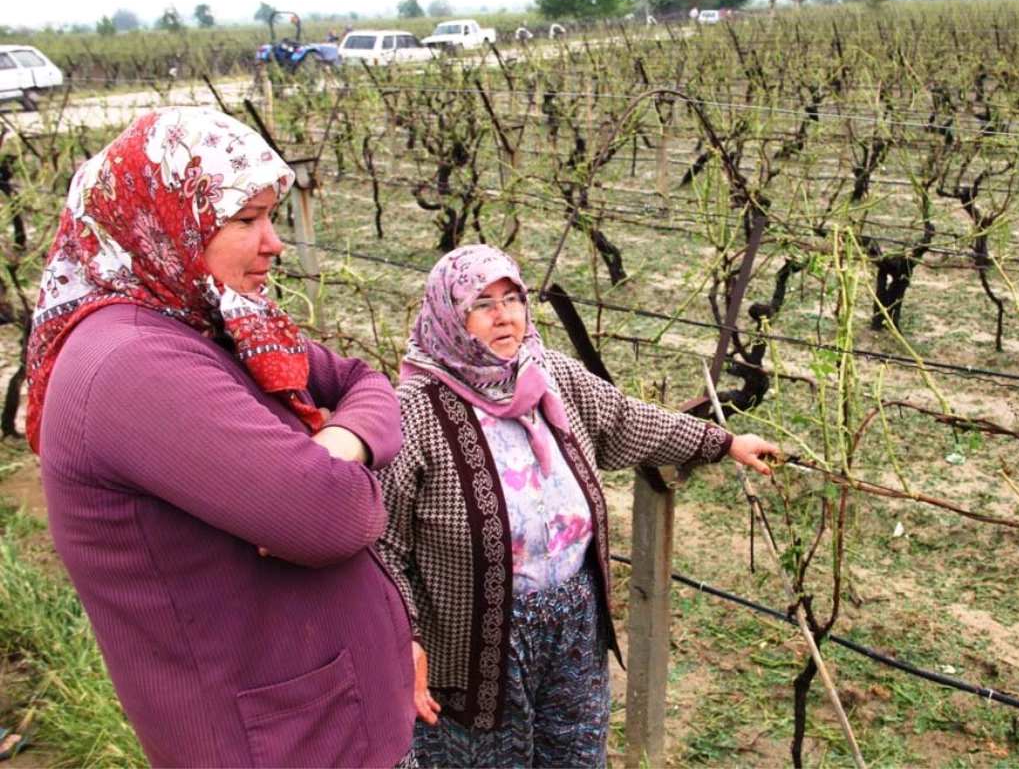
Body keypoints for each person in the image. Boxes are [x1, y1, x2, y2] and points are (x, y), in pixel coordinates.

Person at [28, 106, 416, 768]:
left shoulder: (210, 322)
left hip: (320, 721)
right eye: (246, 221)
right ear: (163, 219)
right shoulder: (134, 366)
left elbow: (363, 381)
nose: (275, 243)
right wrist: (345, 474)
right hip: (277, 741)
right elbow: (332, 516)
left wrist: (339, 447)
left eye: (271, 217)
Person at [376, 244, 779, 766]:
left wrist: (722, 443)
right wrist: (401, 639)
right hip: (472, 645)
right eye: (483, 303)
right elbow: (383, 543)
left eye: (512, 298)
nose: (504, 316)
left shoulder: (550, 376)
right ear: (449, 316)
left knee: (575, 756)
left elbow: (629, 422)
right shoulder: (414, 412)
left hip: (573, 622)